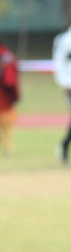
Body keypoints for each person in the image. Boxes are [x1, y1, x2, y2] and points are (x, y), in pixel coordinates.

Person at [53, 23, 71, 165]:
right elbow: (58, 62)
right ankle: (64, 146)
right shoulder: (65, 40)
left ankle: (64, 146)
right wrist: (65, 83)